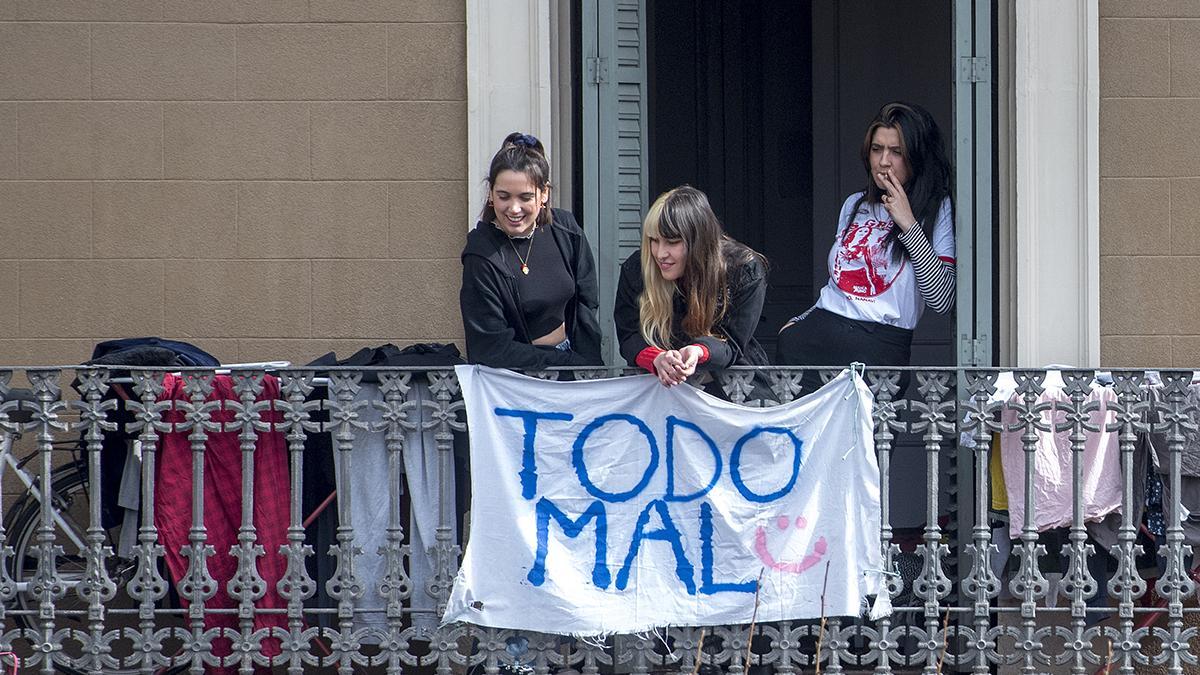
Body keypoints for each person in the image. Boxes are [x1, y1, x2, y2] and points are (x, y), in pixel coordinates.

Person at [776, 101, 955, 392]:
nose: (883, 161)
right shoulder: (854, 204)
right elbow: (838, 287)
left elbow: (941, 298)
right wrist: (796, 325)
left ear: (917, 157)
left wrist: (908, 224)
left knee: (874, 437)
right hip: (814, 341)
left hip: (878, 349)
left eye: (896, 152)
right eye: (876, 149)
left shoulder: (936, 211)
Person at [460, 132, 602, 369]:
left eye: (525, 197)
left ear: (543, 194)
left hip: (573, 364)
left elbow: (587, 300)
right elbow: (490, 346)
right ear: (491, 195)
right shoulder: (481, 255)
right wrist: (562, 362)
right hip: (515, 377)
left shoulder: (566, 229)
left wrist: (585, 362)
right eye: (503, 196)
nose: (514, 209)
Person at [614, 185, 768, 388]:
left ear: (698, 242)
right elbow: (629, 335)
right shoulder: (638, 268)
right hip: (657, 391)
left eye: (672, 242)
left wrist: (698, 352)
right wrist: (656, 358)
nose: (660, 253)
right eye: (654, 240)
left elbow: (732, 343)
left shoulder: (743, 268)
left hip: (734, 391)